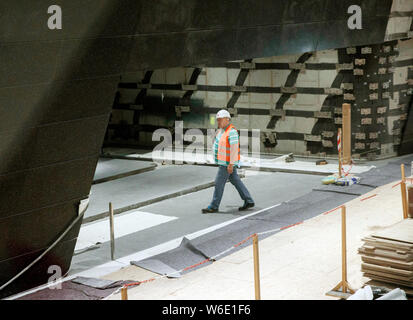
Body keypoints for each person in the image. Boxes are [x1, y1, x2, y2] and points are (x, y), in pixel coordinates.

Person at [202, 110, 255, 214]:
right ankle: (249, 200)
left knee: (218, 183)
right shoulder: (222, 131)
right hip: (224, 163)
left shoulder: (232, 132)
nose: (218, 122)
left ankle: (214, 206)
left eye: (220, 120)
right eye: (217, 120)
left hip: (226, 165)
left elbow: (234, 150)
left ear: (227, 119)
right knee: (236, 180)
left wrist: (231, 164)